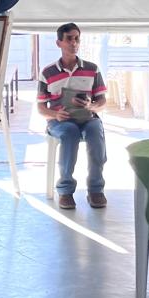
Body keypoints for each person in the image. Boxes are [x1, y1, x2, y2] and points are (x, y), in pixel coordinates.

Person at [36, 23, 109, 210]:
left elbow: (102, 100)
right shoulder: (47, 73)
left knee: (95, 129)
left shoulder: (92, 69)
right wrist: (55, 114)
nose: (74, 43)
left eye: (77, 38)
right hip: (60, 121)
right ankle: (65, 191)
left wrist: (92, 106)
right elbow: (41, 108)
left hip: (87, 118)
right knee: (69, 132)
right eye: (69, 38)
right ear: (59, 43)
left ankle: (96, 189)